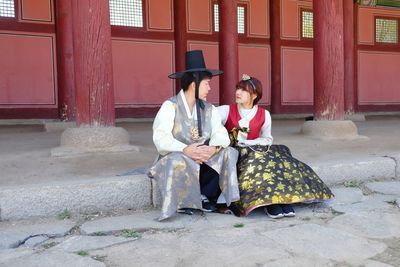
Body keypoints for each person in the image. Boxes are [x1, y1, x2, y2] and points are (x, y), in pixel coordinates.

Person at [217, 74, 334, 218]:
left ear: (254, 95)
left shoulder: (264, 114)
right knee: (259, 166)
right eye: (237, 89)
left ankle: (283, 201)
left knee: (281, 161)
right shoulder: (226, 110)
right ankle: (270, 203)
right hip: (237, 155)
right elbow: (208, 122)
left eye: (243, 90)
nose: (237, 93)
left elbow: (267, 138)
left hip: (256, 150)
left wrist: (252, 142)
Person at [148, 50, 240, 221]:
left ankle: (208, 196)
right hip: (178, 156)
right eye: (206, 84)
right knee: (178, 159)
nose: (209, 88)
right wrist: (185, 149)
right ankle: (184, 201)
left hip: (202, 156)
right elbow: (160, 138)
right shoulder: (170, 106)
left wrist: (212, 148)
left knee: (229, 152)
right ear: (194, 84)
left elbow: (220, 133)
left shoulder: (209, 108)